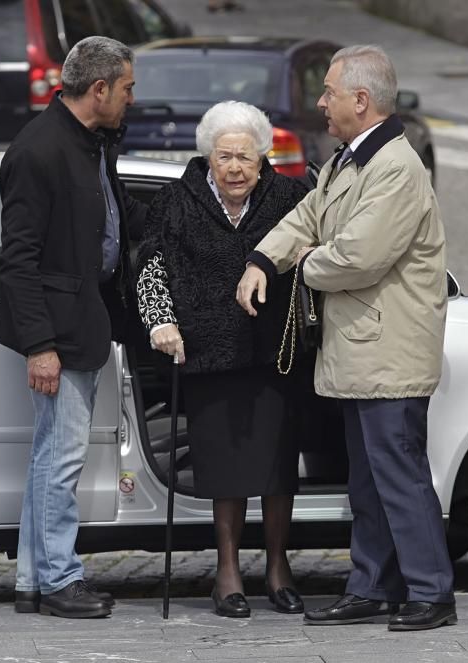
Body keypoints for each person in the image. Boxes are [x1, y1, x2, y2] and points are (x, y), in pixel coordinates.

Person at [236, 45, 457, 632]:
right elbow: (308, 215)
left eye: (328, 90)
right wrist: (263, 258)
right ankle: (371, 586)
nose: (320, 101)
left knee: (399, 476)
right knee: (367, 481)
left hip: (388, 354)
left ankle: (432, 592)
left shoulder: (396, 169)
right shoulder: (349, 161)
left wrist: (300, 266)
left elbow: (359, 257)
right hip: (361, 352)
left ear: (361, 100)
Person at [136, 101, 311, 618]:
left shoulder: (289, 197)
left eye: (245, 158)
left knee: (278, 467)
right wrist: (159, 321)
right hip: (207, 353)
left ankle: (278, 566)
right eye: (225, 157)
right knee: (226, 468)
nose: (235, 169)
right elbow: (149, 265)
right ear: (208, 157)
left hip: (274, 353)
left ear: (263, 159)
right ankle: (227, 571)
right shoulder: (174, 202)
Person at [0, 36, 145, 620]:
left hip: (82, 322)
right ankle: (59, 579)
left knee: (49, 458)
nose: (133, 99)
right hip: (59, 332)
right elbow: (19, 260)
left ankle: (36, 579)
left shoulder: (89, 141)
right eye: (128, 88)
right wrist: (40, 346)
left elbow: (113, 218)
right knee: (60, 460)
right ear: (100, 89)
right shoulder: (39, 151)